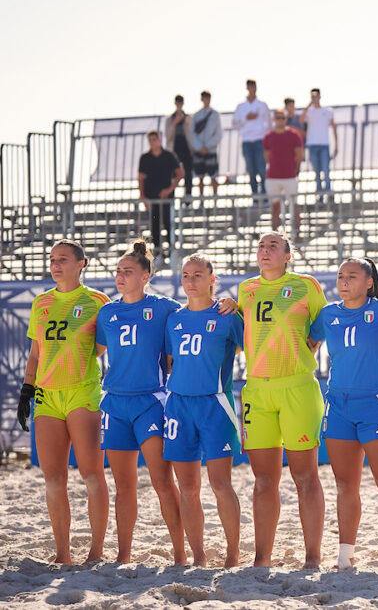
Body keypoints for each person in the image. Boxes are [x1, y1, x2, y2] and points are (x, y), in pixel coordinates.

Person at [309, 258, 378, 570]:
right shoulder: (327, 314)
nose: (344, 281)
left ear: (369, 282)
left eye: (352, 276)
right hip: (338, 404)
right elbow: (307, 347)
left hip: (377, 402)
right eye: (340, 276)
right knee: (344, 485)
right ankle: (345, 556)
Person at [237, 232, 328, 568]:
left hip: (297, 388)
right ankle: (262, 559)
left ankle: (313, 557)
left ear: (288, 255)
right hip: (257, 390)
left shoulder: (305, 285)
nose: (265, 250)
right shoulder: (246, 289)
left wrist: (306, 351)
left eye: (273, 245)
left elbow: (321, 326)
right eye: (261, 245)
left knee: (305, 477)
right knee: (263, 481)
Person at [20, 240, 110, 564]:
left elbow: (101, 349)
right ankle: (62, 553)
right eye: (52, 259)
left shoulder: (98, 302)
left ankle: (96, 552)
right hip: (47, 396)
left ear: (81, 263)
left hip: (82, 392)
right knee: (54, 478)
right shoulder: (41, 303)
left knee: (91, 474)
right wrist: (26, 391)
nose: (55, 264)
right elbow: (35, 354)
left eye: (63, 259)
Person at [95, 240, 185, 564]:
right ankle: (123, 555)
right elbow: (95, 354)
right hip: (116, 404)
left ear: (145, 275)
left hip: (151, 401)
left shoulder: (165, 308)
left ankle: (179, 554)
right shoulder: (107, 312)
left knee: (162, 481)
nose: (120, 276)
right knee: (124, 486)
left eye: (128, 271)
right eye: (118, 271)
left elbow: (192, 324)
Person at [163, 254, 244, 567]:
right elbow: (170, 362)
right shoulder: (174, 319)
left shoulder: (226, 315)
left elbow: (252, 344)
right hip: (179, 406)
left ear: (212, 278)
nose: (191, 281)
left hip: (215, 404)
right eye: (186, 275)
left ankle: (233, 554)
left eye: (198, 275)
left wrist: (237, 305)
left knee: (221, 484)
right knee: (188, 488)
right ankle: (198, 557)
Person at [137, 130, 183, 254]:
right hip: (152, 199)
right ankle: (158, 254)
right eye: (150, 140)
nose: (152, 142)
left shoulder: (169, 155)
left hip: (166, 199)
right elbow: (141, 178)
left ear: (160, 139)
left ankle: (172, 253)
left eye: (154, 139)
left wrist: (169, 190)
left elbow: (180, 174)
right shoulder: (145, 158)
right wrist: (143, 197)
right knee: (155, 226)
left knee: (169, 224)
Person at [262, 109, 304, 236]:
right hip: (272, 177)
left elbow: (299, 156)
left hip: (289, 176)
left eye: (282, 118)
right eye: (278, 117)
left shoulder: (294, 135)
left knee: (294, 206)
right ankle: (276, 237)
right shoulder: (268, 136)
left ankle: (297, 234)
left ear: (286, 119)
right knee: (275, 208)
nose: (280, 120)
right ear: (273, 119)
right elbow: (267, 156)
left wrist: (294, 170)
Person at [232, 79, 271, 198]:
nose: (252, 89)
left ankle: (264, 195)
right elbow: (235, 124)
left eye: (254, 86)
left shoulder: (262, 105)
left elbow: (269, 124)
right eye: (250, 86)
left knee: (261, 169)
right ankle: (254, 195)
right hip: (247, 141)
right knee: (251, 170)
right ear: (247, 88)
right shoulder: (241, 107)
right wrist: (246, 118)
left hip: (260, 140)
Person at [302, 88, 339, 197]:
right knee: (317, 173)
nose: (315, 98)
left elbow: (333, 127)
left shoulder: (327, 111)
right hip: (312, 145)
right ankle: (320, 197)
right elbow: (301, 120)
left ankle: (329, 195)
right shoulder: (308, 111)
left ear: (320, 96)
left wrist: (336, 145)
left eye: (316, 96)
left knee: (326, 171)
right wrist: (309, 105)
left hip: (324, 145)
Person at [188, 91, 224, 198]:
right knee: (200, 177)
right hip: (199, 151)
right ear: (202, 99)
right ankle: (201, 199)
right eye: (204, 98)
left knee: (213, 176)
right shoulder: (196, 115)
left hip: (211, 150)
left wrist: (208, 146)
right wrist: (199, 147)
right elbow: (192, 134)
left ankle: (215, 198)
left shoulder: (215, 115)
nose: (206, 100)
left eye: (208, 98)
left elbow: (218, 133)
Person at [164, 95, 194, 199]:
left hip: (186, 149)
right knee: (172, 174)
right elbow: (168, 136)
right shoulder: (169, 119)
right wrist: (174, 123)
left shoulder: (188, 118)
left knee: (188, 174)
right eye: (178, 102)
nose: (179, 104)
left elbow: (191, 133)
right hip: (174, 150)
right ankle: (171, 197)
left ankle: (188, 199)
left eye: (181, 102)